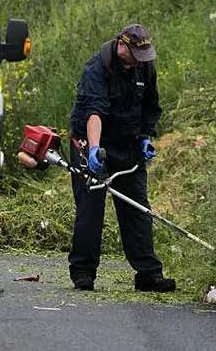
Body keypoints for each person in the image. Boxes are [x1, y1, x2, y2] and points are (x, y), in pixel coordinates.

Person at [67, 23, 176, 293]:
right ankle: (83, 272)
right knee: (90, 210)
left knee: (138, 209)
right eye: (135, 55)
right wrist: (93, 150)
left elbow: (151, 105)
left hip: (127, 145)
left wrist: (146, 137)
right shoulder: (97, 69)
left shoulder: (145, 68)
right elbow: (94, 112)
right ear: (121, 46)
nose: (140, 62)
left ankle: (148, 274)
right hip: (93, 143)